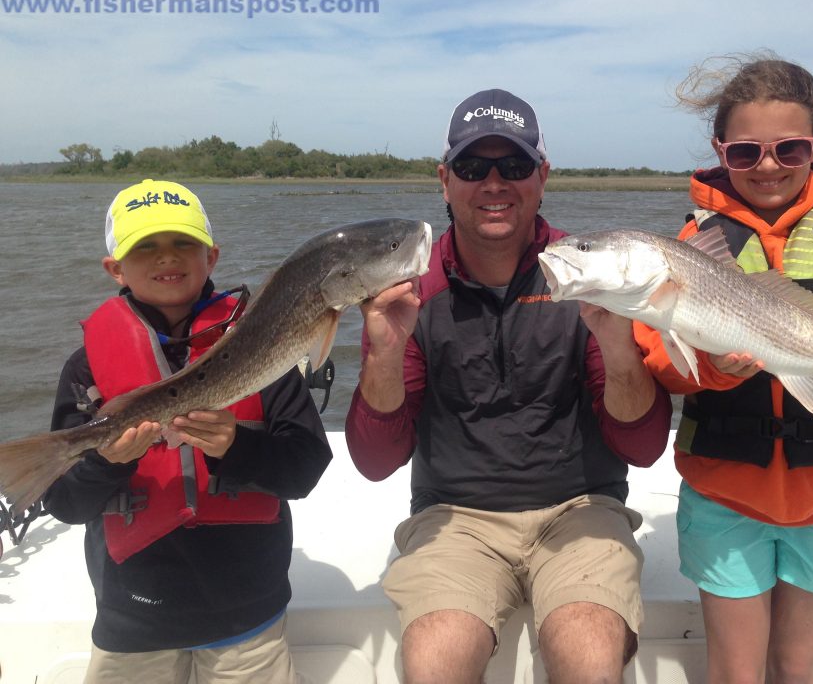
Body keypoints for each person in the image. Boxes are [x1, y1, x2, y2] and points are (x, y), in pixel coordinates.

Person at [346, 88, 672, 684]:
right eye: (473, 167)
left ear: (542, 176)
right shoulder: (407, 291)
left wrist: (620, 346)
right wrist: (385, 354)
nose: (494, 183)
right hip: (452, 519)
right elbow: (374, 461)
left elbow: (643, 448)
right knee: (434, 664)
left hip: (582, 510)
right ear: (445, 181)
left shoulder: (590, 270)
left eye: (514, 166)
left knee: (591, 659)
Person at [634, 55, 813, 684]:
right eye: (745, 153)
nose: (767, 166)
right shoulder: (692, 242)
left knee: (799, 668)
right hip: (724, 494)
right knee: (736, 672)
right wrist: (717, 372)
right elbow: (659, 359)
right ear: (721, 150)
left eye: (789, 149)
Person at [43, 179, 333, 684]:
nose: (166, 258)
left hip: (248, 615)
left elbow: (304, 470)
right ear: (115, 268)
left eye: (183, 243)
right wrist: (108, 460)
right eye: (145, 247)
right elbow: (65, 504)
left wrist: (236, 445)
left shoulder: (264, 348)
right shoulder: (86, 368)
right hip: (132, 620)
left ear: (211, 257)